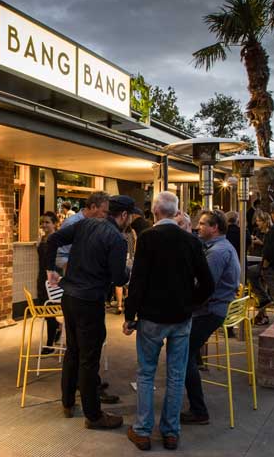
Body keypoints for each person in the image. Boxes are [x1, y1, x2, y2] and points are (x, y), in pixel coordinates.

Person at [123, 191, 214, 451]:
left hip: (151, 317)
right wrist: (191, 303)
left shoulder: (147, 238)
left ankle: (142, 430)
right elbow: (208, 283)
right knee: (176, 375)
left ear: (154, 212)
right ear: (176, 212)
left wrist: (130, 315)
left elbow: (138, 281)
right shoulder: (191, 241)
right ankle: (171, 432)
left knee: (146, 373)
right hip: (181, 318)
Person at [45, 195, 134, 430]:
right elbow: (118, 278)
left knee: (72, 351)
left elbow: (52, 239)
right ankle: (93, 415)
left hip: (69, 297)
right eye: (131, 216)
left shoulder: (85, 224)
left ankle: (67, 403)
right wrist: (128, 271)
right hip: (89, 300)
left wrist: (50, 269)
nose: (131, 221)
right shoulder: (117, 239)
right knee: (89, 358)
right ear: (123, 215)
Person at [182, 210, 240, 425]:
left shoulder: (217, 253)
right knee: (187, 349)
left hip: (211, 311)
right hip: (216, 308)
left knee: (181, 353)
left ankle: (199, 411)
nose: (198, 227)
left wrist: (184, 305)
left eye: (203, 224)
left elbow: (205, 288)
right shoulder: (220, 247)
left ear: (215, 228)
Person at [55, 192, 110, 272]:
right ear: (93, 207)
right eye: (104, 212)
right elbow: (61, 256)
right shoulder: (72, 223)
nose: (106, 216)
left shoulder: (96, 223)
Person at [37, 211, 61, 354]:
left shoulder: (57, 239)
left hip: (52, 277)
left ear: (55, 224)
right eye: (42, 222)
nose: (44, 225)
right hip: (41, 276)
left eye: (47, 222)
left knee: (50, 310)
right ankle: (58, 328)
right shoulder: (43, 238)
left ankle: (50, 344)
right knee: (45, 309)